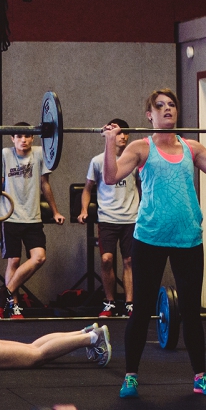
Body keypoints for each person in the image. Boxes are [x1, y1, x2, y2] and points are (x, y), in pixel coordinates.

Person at [103, 89, 206, 399]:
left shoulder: (192, 148)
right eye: (159, 106)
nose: (167, 110)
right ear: (149, 115)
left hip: (188, 237)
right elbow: (110, 177)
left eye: (171, 105)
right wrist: (110, 143)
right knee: (141, 310)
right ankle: (131, 377)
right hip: (149, 237)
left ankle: (200, 376)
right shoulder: (140, 148)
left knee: (191, 310)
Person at [0, 124, 65, 319]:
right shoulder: (5, 154)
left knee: (39, 258)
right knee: (14, 260)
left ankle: (4, 292)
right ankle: (13, 306)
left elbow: (45, 185)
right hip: (11, 216)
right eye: (19, 136)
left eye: (27, 136)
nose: (23, 140)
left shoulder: (40, 153)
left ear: (33, 138)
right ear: (12, 138)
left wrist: (55, 211)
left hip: (33, 217)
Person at [77, 118, 140, 318]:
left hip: (131, 218)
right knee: (107, 259)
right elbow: (88, 189)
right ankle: (110, 302)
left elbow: (141, 187)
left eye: (124, 133)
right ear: (108, 135)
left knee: (130, 261)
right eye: (118, 133)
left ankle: (130, 304)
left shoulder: (133, 160)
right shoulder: (97, 161)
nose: (122, 136)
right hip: (107, 219)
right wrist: (84, 210)